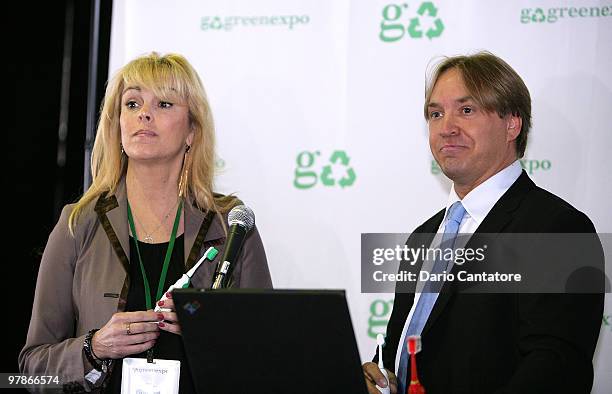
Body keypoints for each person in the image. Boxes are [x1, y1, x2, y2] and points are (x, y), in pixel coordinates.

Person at [19, 52, 272, 392]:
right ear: (118, 124)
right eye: (133, 104)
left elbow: (269, 359)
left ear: (192, 131)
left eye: (164, 104)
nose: (145, 114)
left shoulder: (230, 227)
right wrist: (93, 349)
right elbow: (31, 372)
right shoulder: (79, 223)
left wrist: (207, 334)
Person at [362, 51, 603, 393]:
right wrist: (381, 380)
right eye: (435, 113)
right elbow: (405, 353)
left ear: (511, 124)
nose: (446, 128)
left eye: (466, 110)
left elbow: (556, 370)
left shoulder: (558, 228)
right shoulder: (423, 237)